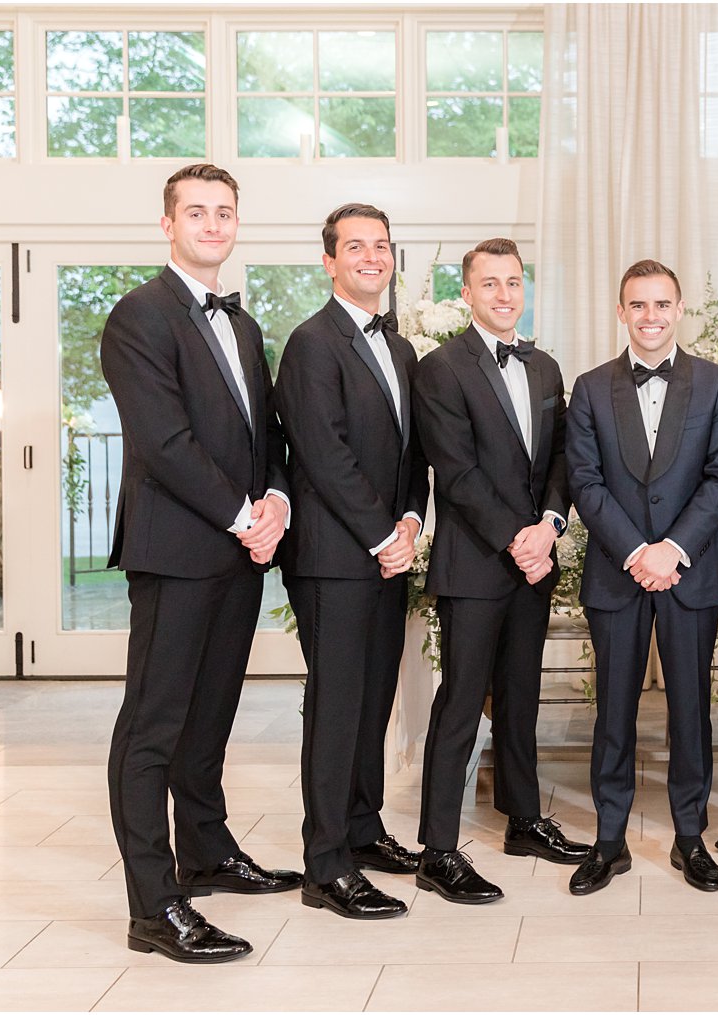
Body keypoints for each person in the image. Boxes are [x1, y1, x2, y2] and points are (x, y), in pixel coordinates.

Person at [101, 163, 298, 963]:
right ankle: (154, 905)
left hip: (239, 555)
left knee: (211, 716)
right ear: (167, 224)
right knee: (153, 725)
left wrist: (277, 499)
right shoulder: (138, 316)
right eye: (197, 212)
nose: (213, 224)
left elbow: (267, 440)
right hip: (178, 550)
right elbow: (165, 443)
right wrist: (244, 513)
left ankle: (208, 851)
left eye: (224, 212)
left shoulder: (245, 326)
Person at [412, 237, 590, 904]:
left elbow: (560, 461)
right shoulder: (440, 368)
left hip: (532, 560)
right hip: (474, 562)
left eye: (514, 282)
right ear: (467, 292)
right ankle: (437, 848)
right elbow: (454, 471)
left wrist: (548, 526)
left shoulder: (544, 367)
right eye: (490, 284)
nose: (505, 294)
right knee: (460, 702)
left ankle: (523, 821)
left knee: (521, 696)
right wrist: (516, 537)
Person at [564, 259, 718, 895]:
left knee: (691, 709)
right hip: (617, 573)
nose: (650, 317)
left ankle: (689, 836)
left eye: (662, 304)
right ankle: (609, 841)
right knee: (613, 710)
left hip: (688, 575)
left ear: (679, 308)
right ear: (620, 312)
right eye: (638, 305)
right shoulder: (588, 388)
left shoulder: (717, 384)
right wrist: (638, 550)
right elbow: (584, 481)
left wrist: (674, 550)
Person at [275, 203, 428, 920]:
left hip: (386, 553)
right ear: (329, 261)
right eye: (356, 246)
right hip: (336, 559)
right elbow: (323, 452)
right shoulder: (312, 343)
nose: (372, 256)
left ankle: (364, 831)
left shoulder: (397, 349)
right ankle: (325, 863)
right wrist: (380, 532)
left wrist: (410, 520)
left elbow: (412, 453)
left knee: (373, 701)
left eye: (382, 245)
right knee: (337, 707)